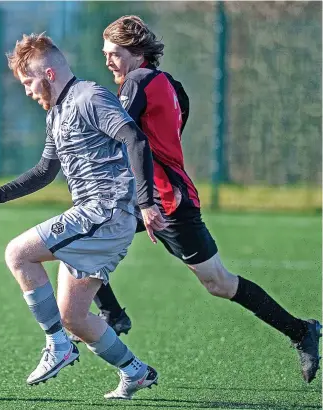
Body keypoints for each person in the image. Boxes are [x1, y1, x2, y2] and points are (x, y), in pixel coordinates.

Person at [72, 15, 321, 387]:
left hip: (165, 201)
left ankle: (301, 330)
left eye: (114, 54)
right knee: (79, 236)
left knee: (218, 282)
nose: (108, 61)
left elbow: (120, 135)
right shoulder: (170, 83)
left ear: (137, 53)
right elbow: (167, 129)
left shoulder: (136, 81)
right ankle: (111, 314)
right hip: (153, 194)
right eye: (105, 54)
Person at [0, 32, 167, 400]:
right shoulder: (56, 114)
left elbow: (135, 140)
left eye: (29, 82)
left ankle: (57, 345)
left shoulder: (90, 96)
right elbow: (45, 171)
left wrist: (146, 202)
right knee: (74, 316)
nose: (28, 91)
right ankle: (135, 371)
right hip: (95, 215)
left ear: (49, 73)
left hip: (104, 212)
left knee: (18, 253)